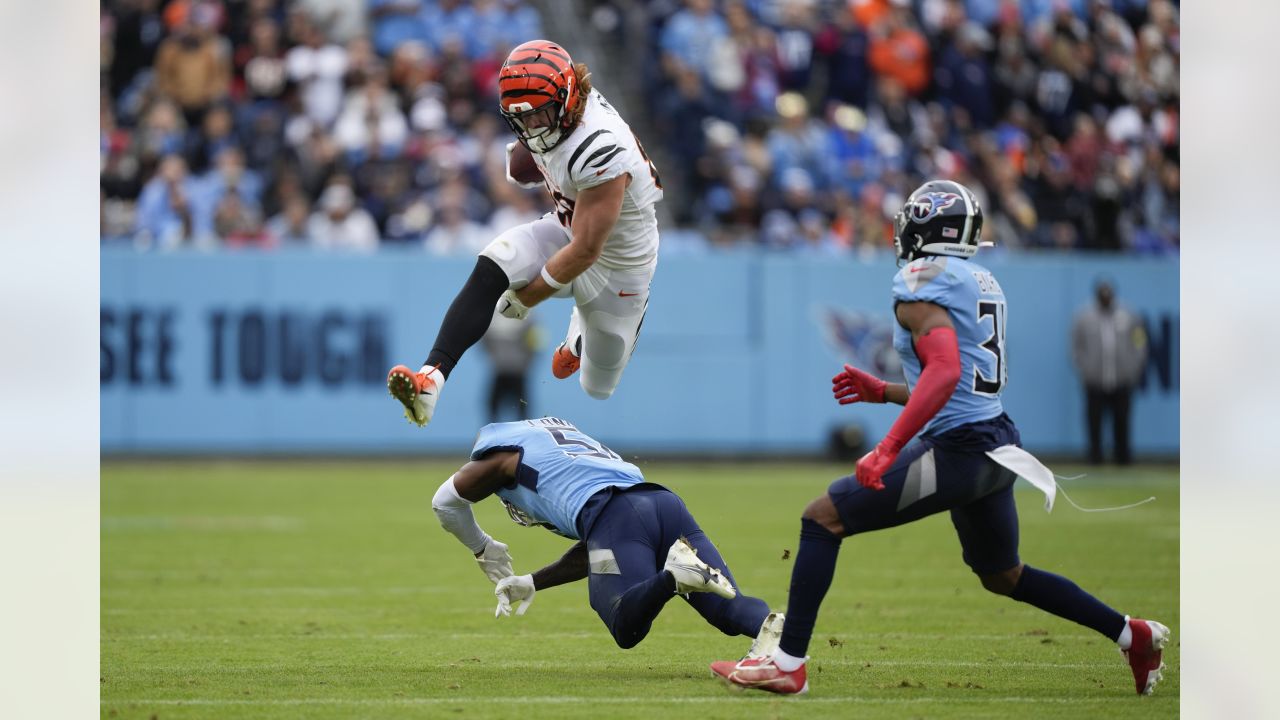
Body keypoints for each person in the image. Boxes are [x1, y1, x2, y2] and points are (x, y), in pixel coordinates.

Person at [710, 180, 1169, 696]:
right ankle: (1132, 633)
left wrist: (887, 448)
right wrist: (883, 391)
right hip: (997, 447)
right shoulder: (978, 279)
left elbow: (946, 371)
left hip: (963, 450)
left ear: (921, 227)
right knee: (1003, 575)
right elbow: (959, 379)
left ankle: (788, 664)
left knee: (822, 519)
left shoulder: (920, 280)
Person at [387, 40, 664, 428]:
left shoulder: (601, 146)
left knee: (597, 385)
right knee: (493, 263)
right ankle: (431, 379)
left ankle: (578, 338)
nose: (532, 128)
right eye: (523, 119)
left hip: (618, 268)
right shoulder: (559, 105)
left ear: (567, 100)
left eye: (540, 115)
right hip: (569, 227)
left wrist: (528, 297)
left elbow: (586, 251)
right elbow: (533, 163)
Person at [431, 416, 780, 653]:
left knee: (624, 623)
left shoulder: (502, 458)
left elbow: (445, 503)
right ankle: (780, 638)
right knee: (728, 611)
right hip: (661, 502)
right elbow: (599, 549)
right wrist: (534, 582)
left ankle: (674, 577)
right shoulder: (560, 447)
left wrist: (481, 547)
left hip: (617, 515)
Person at [1072, 280, 1148, 465]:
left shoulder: (1129, 315)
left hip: (1121, 380)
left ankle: (1123, 458)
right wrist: (1086, 370)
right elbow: (1076, 347)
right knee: (1094, 421)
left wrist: (1133, 368)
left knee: (1122, 421)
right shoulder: (1084, 317)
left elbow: (1140, 342)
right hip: (1095, 380)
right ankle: (1095, 458)